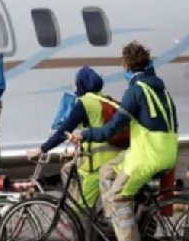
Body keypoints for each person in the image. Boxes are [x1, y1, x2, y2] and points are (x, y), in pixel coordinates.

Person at [70, 41, 178, 241]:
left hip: (148, 155)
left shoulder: (136, 91)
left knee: (116, 197)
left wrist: (85, 134)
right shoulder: (161, 90)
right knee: (107, 172)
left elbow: (113, 129)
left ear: (126, 65)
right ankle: (118, 223)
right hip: (165, 151)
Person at [28, 67, 123, 210]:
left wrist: (42, 149)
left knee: (80, 210)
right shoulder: (105, 99)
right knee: (67, 169)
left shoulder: (85, 102)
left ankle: (85, 224)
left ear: (81, 84)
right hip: (113, 155)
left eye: (75, 82)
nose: (73, 86)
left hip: (98, 162)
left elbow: (63, 131)